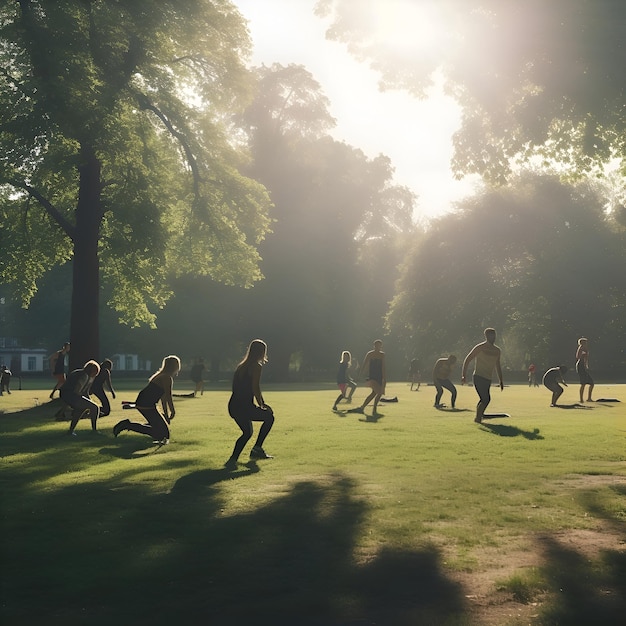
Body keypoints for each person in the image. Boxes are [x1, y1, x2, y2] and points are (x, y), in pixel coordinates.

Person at [225, 339, 274, 468]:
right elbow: (255, 387)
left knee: (247, 433)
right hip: (244, 407)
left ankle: (233, 459)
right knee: (269, 417)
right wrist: (262, 405)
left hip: (234, 406)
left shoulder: (242, 366)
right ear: (262, 352)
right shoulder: (256, 366)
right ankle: (257, 449)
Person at [113, 355, 180, 443]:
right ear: (175, 366)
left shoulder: (162, 375)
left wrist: (166, 415)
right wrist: (173, 411)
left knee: (162, 433)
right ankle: (127, 425)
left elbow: (163, 399)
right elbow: (168, 396)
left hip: (145, 402)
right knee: (163, 435)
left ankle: (130, 425)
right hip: (146, 403)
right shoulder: (167, 378)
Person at [461, 328, 504, 424]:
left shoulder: (497, 351)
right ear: (486, 336)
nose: (493, 337)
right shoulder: (480, 347)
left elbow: (498, 366)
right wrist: (464, 375)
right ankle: (478, 418)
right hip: (478, 377)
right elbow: (467, 359)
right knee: (486, 399)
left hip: (488, 379)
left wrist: (501, 380)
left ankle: (478, 417)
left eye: (494, 335)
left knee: (483, 399)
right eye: (491, 336)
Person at [59, 360, 101, 435]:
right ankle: (94, 430)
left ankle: (71, 431)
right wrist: (88, 403)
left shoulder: (86, 376)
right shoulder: (84, 376)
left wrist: (88, 401)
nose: (96, 375)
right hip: (70, 395)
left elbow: (85, 392)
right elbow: (77, 391)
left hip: (67, 394)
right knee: (95, 407)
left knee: (80, 409)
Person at [349, 339, 386, 416]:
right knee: (376, 392)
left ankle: (367, 407)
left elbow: (383, 366)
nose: (378, 347)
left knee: (379, 393)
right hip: (373, 376)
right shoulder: (370, 354)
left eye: (379, 346)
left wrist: (384, 377)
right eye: (376, 346)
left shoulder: (382, 355)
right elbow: (364, 364)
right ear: (374, 346)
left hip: (380, 376)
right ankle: (367, 408)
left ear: (381, 346)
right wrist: (360, 374)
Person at [575, 337, 594, 402]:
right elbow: (578, 357)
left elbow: (586, 359)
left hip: (583, 366)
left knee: (591, 383)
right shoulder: (581, 348)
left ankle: (589, 398)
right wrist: (583, 353)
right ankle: (581, 399)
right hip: (580, 366)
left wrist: (586, 365)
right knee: (583, 383)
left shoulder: (585, 349)